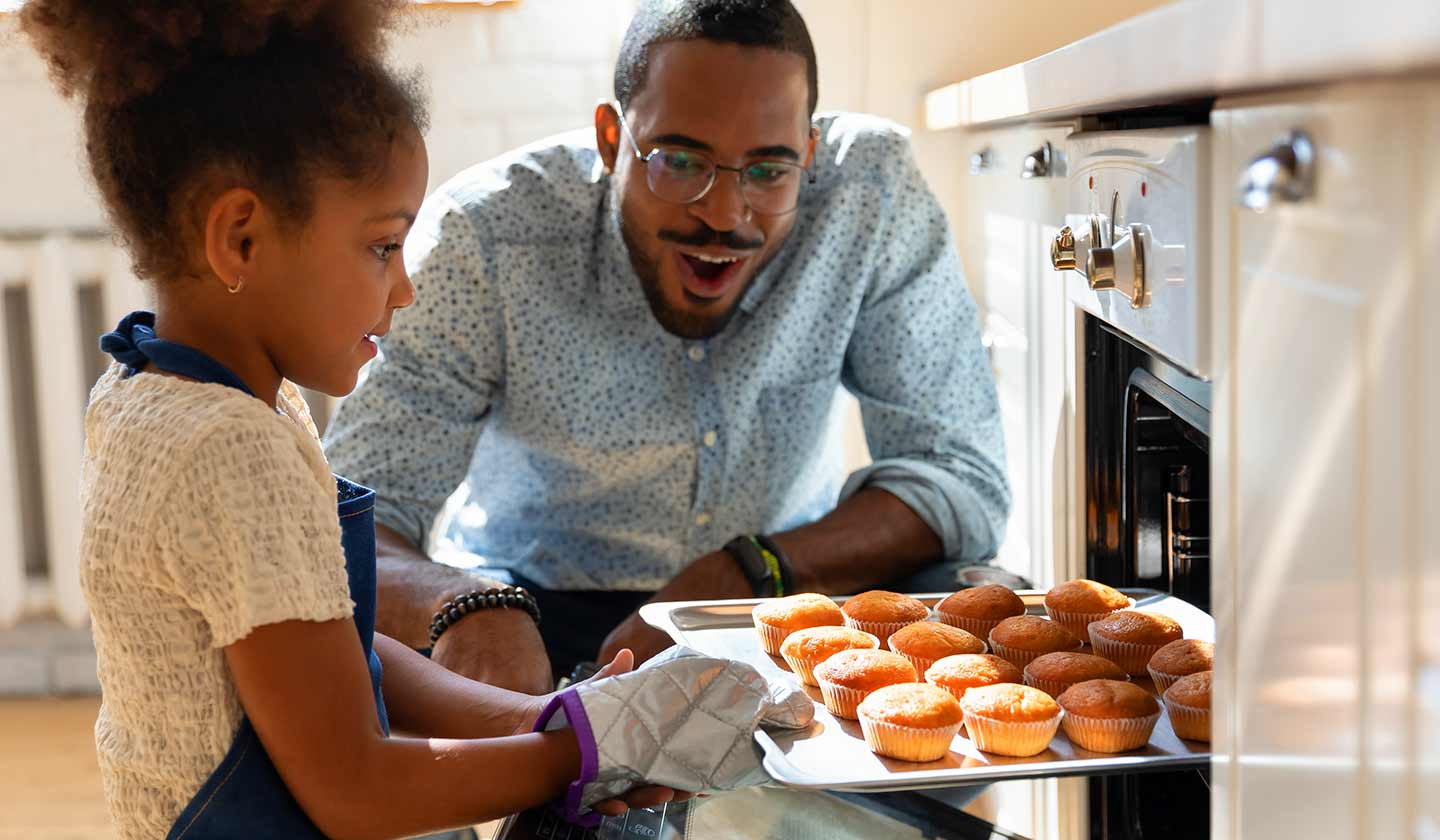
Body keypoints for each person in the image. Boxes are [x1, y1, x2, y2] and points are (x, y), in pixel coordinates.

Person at [26, 2, 805, 837]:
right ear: (241, 238)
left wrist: (538, 723)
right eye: (381, 246)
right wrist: (591, 749)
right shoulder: (232, 449)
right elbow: (355, 788)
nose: (403, 288)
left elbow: (335, 650)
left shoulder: (161, 391)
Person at [324, 0, 1011, 693]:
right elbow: (346, 521)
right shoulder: (486, 234)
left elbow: (959, 476)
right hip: (531, 606)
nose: (723, 215)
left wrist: (741, 571)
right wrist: (463, 607)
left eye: (769, 170)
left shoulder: (871, 191)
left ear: (809, 151)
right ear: (610, 138)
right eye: (680, 162)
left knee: (977, 618)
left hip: (780, 590)